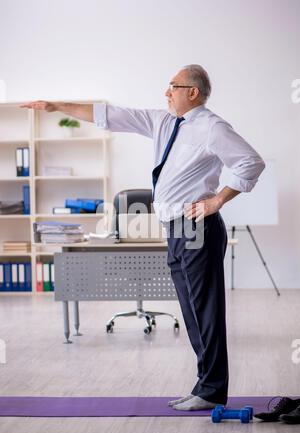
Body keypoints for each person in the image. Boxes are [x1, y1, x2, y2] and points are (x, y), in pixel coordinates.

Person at [21, 64, 265, 411]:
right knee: (192, 310)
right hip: (175, 228)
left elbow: (251, 163)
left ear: (192, 92)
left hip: (196, 225)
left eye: (173, 86)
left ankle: (211, 389)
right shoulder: (164, 122)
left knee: (205, 310)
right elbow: (113, 115)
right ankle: (205, 386)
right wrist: (58, 106)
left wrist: (217, 200)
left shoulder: (213, 127)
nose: (166, 92)